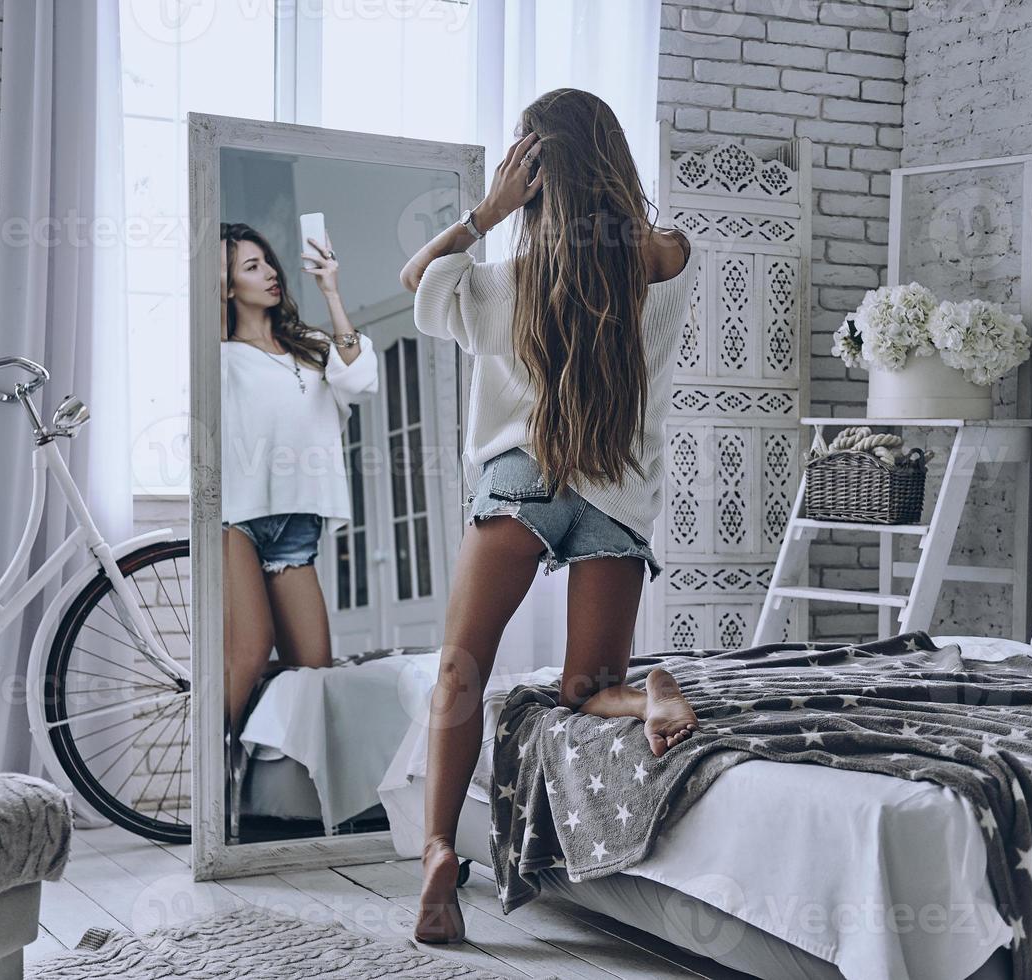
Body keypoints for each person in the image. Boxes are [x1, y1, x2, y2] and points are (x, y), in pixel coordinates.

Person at [400, 88, 700, 944]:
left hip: (521, 483)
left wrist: (487, 212)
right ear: (613, 158)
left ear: (535, 172)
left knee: (460, 673)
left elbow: (416, 283)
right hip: (615, 493)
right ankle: (643, 697)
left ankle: (435, 854)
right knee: (586, 687)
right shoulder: (671, 256)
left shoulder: (509, 280)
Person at [219, 222, 378, 742]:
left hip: (296, 524)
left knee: (313, 673)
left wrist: (331, 292)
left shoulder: (309, 344)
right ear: (225, 285)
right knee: (248, 649)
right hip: (237, 517)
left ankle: (263, 776)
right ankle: (209, 780)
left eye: (267, 261)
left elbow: (360, 380)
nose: (269, 273)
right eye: (251, 266)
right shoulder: (218, 356)